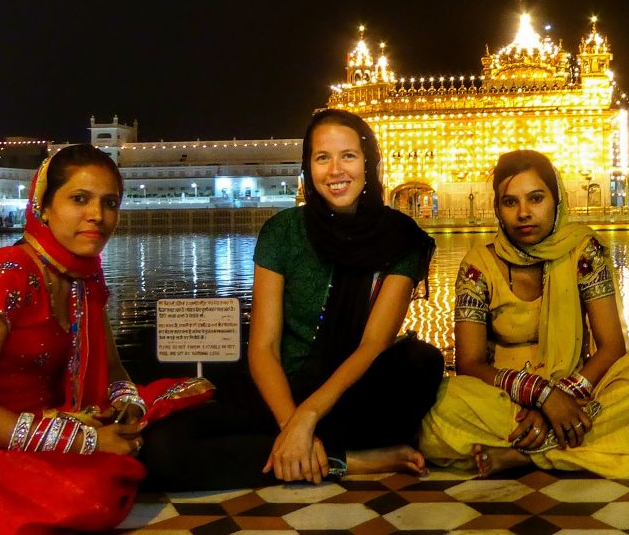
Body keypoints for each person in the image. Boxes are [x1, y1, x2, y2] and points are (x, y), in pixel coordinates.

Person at [0, 144, 212, 535]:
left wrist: (128, 407)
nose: (98, 215)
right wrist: (88, 441)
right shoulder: (2, 277)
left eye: (110, 202)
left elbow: (113, 368)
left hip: (59, 422)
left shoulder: (83, 277)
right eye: (79, 199)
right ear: (43, 205)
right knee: (92, 491)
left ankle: (304, 451)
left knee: (181, 425)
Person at [143, 109, 444, 489]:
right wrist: (292, 422)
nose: (336, 170)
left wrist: (310, 416)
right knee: (162, 450)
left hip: (350, 394)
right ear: (308, 166)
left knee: (421, 362)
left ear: (369, 162)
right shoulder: (283, 233)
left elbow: (372, 345)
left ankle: (300, 450)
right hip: (280, 393)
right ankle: (345, 461)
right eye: (323, 158)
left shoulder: (400, 238)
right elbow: (264, 346)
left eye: (348, 155)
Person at [419, 149, 629, 477]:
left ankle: (528, 452)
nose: (524, 214)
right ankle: (577, 443)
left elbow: (612, 347)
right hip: (506, 402)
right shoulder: (479, 265)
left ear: (556, 201)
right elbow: (470, 364)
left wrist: (561, 399)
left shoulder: (583, 251)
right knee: (436, 406)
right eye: (510, 202)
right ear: (497, 209)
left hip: (578, 392)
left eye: (536, 198)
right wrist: (542, 395)